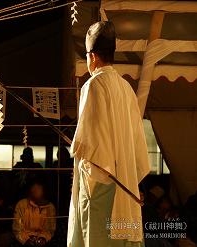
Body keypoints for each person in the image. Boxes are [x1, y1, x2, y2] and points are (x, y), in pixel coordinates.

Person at [67, 21, 150, 247]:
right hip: (125, 181)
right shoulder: (126, 88)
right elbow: (136, 142)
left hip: (101, 184)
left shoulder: (93, 85)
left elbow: (88, 142)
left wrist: (75, 146)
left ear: (92, 56)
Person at [13, 181, 56, 246]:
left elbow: (50, 229)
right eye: (34, 189)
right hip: (24, 242)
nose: (34, 191)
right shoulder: (22, 204)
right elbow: (17, 229)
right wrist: (26, 240)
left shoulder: (50, 208)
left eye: (38, 189)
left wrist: (43, 238)